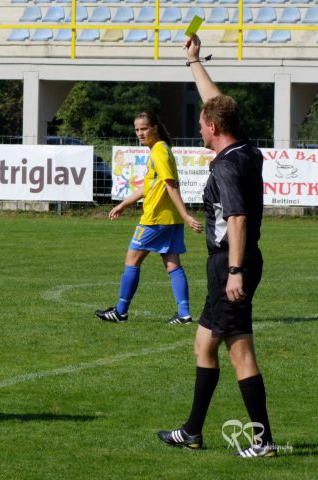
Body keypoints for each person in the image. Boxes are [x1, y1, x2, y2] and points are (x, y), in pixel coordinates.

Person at [157, 34, 276, 458]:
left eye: (203, 124)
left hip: (232, 262)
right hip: (228, 263)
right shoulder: (246, 148)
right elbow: (218, 103)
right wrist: (193, 62)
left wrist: (236, 272)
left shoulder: (227, 164)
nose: (200, 128)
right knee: (204, 345)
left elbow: (238, 217)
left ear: (212, 128)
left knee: (240, 350)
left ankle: (263, 441)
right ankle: (192, 431)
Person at [95, 111, 202, 325]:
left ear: (155, 127)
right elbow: (149, 185)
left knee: (132, 261)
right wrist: (124, 204)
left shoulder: (159, 152)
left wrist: (186, 214)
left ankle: (121, 311)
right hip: (170, 219)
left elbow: (169, 184)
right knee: (172, 265)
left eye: (144, 128)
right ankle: (184, 314)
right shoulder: (161, 150)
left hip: (155, 219)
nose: (140, 133)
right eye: (136, 130)